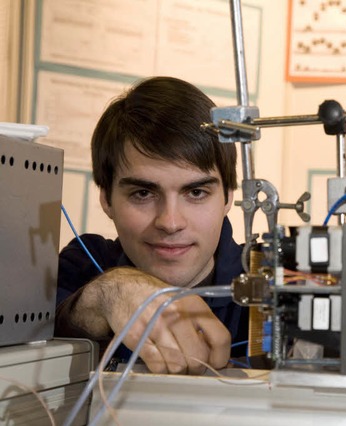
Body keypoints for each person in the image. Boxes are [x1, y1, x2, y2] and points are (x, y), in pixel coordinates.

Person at [55, 76, 247, 375]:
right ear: (106, 198)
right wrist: (108, 295)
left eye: (196, 193)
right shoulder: (83, 264)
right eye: (143, 193)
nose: (170, 223)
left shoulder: (270, 285)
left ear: (227, 197)